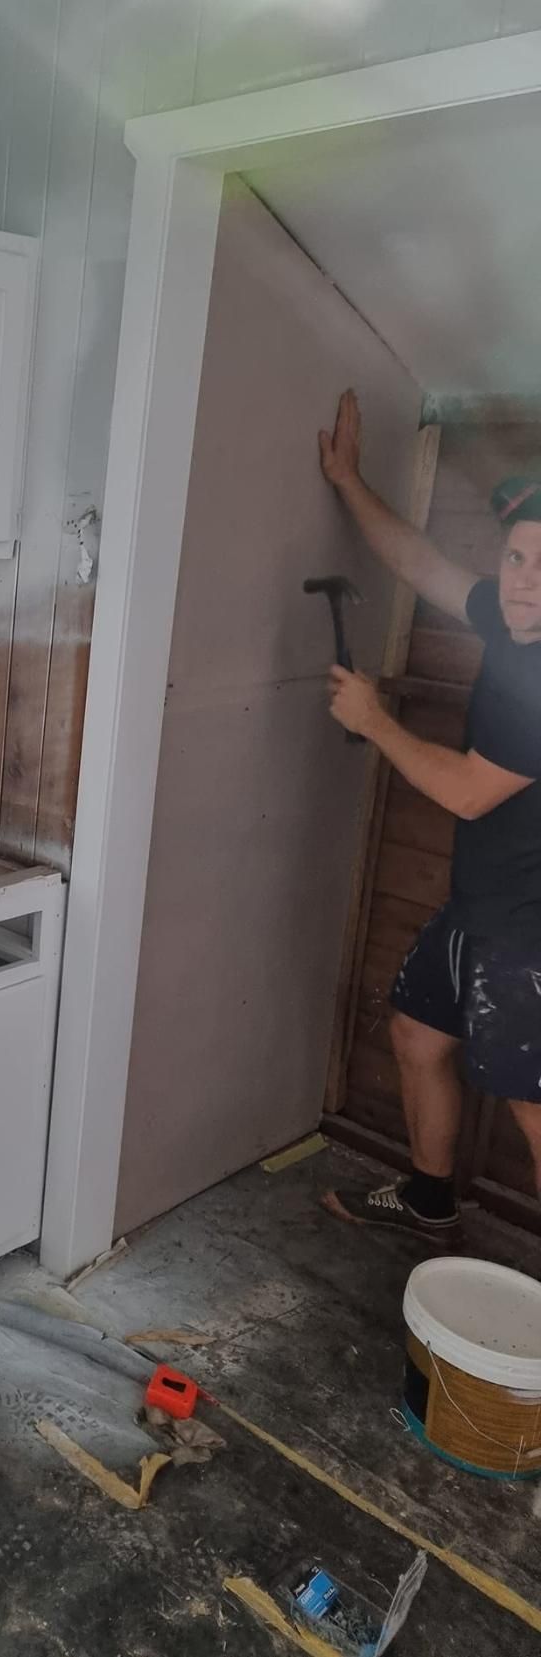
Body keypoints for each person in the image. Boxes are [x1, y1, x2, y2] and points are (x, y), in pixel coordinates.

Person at [317, 389, 541, 1243]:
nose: (524, 580)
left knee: (534, 1105)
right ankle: (430, 1200)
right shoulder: (512, 619)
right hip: (483, 903)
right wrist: (348, 479)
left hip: (529, 932)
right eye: (517, 557)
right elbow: (422, 564)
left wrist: (375, 721)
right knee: (418, 1033)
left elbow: (470, 791)